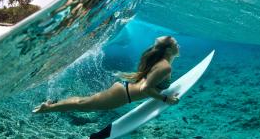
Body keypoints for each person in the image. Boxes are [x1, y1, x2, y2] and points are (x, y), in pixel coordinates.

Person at [33, 36, 180, 113]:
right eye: (175, 44)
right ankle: (48, 108)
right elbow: (145, 89)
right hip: (122, 95)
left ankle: (53, 105)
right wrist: (166, 99)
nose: (178, 45)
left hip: (124, 90)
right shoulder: (165, 66)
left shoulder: (161, 61)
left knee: (84, 102)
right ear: (167, 50)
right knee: (83, 105)